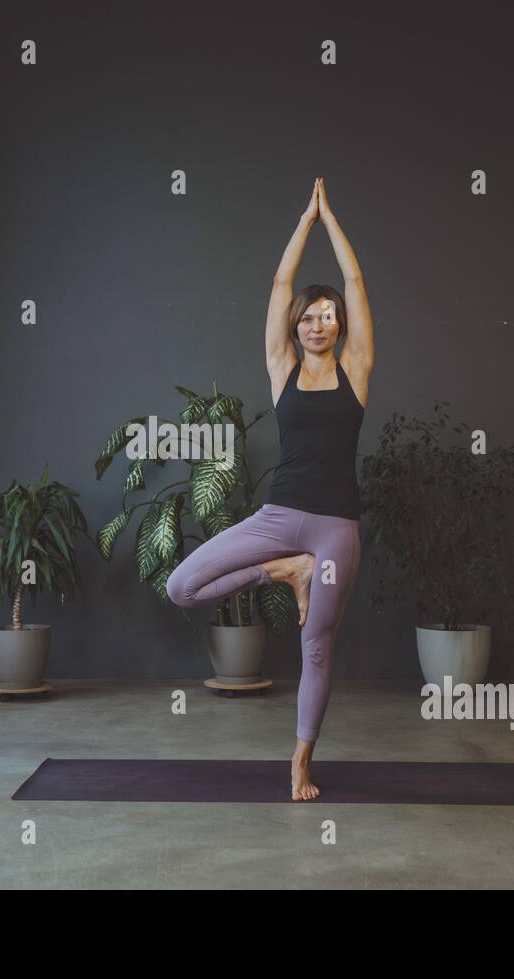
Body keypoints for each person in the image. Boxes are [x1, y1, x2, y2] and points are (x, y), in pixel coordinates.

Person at [166, 177, 374, 801]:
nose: (317, 323)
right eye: (308, 317)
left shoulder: (356, 370)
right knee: (183, 587)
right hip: (280, 519)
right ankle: (285, 572)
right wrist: (303, 222)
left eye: (327, 315)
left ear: (340, 325)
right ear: (297, 327)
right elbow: (280, 286)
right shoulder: (281, 369)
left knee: (317, 646)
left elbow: (358, 284)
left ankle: (300, 761)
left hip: (336, 530)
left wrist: (331, 220)